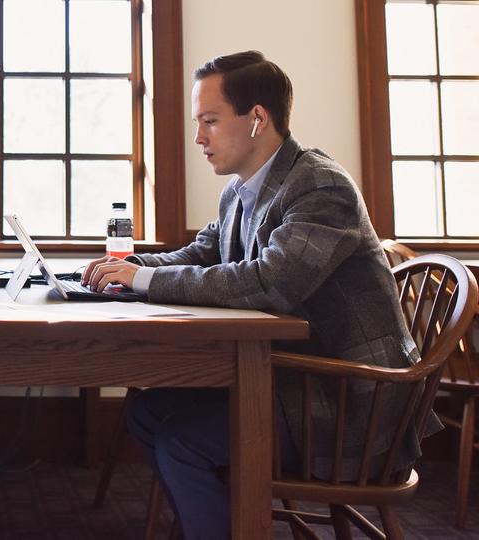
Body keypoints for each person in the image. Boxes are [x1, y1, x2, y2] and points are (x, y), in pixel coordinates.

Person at [81, 51, 438, 539]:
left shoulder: (319, 184)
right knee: (147, 412)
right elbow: (201, 254)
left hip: (348, 404)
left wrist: (139, 281)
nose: (198, 137)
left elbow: (271, 281)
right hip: (292, 382)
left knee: (182, 443)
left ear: (257, 120)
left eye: (209, 121)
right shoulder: (240, 191)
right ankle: (228, 525)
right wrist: (130, 267)